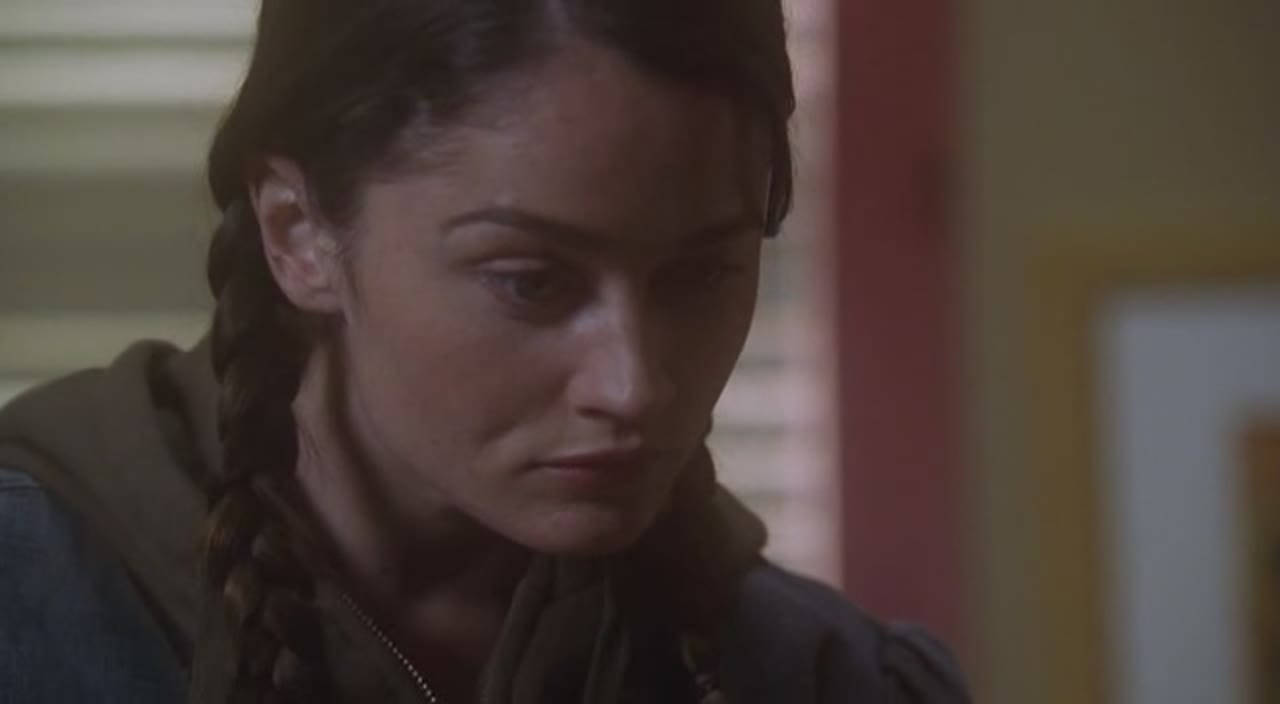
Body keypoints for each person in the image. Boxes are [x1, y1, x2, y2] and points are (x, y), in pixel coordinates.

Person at [0, 1, 969, 702]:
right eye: (530, 281)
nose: (634, 385)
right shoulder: (33, 600)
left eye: (698, 276)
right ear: (297, 232)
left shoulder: (819, 675)